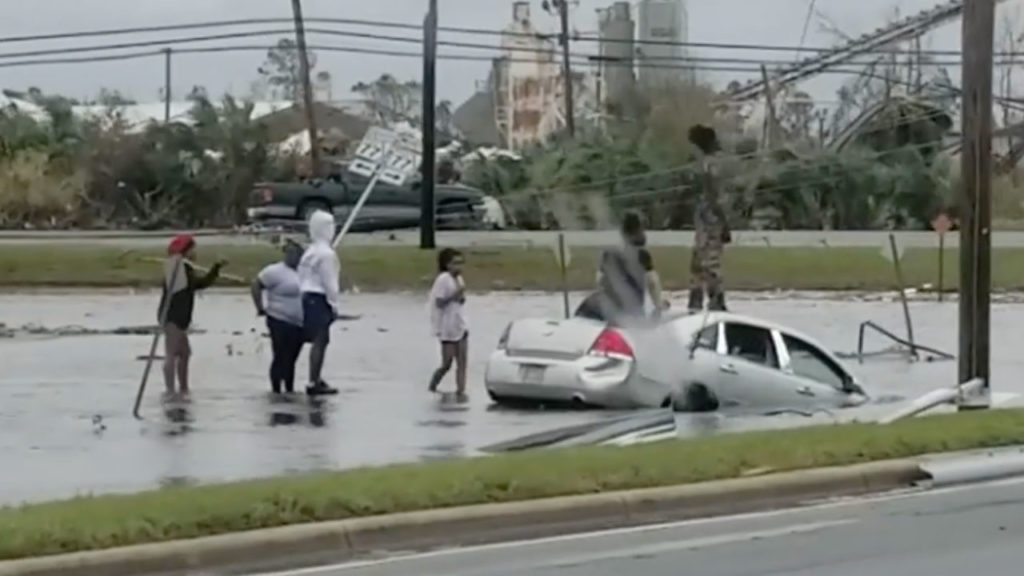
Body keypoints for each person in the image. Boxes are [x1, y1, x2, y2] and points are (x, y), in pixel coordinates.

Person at [158, 234, 225, 397]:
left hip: (182, 317)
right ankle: (170, 390)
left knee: (185, 353)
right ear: (186, 251)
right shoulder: (175, 268)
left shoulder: (186, 268)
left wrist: (215, 269)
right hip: (172, 315)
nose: (195, 253)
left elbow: (199, 284)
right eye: (192, 250)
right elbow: (189, 285)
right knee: (171, 353)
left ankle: (183, 388)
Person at [251, 240, 305, 394]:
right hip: (278, 319)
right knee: (280, 355)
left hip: (299, 323)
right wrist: (260, 307)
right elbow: (256, 285)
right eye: (289, 253)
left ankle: (289, 389)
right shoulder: (274, 271)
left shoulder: (305, 272)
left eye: (295, 254)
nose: (292, 257)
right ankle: (276, 391)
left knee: (292, 358)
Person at [687, 124, 731, 313]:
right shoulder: (713, 164)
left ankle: (695, 301)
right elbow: (714, 195)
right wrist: (724, 222)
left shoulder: (705, 162)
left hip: (703, 214)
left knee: (698, 259)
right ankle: (716, 302)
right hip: (712, 215)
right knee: (712, 259)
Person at [298, 210, 342, 396]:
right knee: (320, 340)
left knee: (317, 339)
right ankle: (313, 380)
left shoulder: (310, 252)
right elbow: (329, 282)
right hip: (319, 297)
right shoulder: (327, 255)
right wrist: (334, 303)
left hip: (305, 295)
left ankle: (314, 377)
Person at [428, 248, 469, 402]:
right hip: (447, 327)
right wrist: (455, 294)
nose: (459, 267)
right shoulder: (443, 279)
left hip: (461, 324)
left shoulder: (459, 279)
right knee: (447, 363)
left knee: (462, 362)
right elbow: (439, 302)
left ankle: (461, 392)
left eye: (461, 263)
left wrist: (460, 296)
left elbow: (461, 300)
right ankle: (432, 386)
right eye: (455, 263)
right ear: (447, 264)